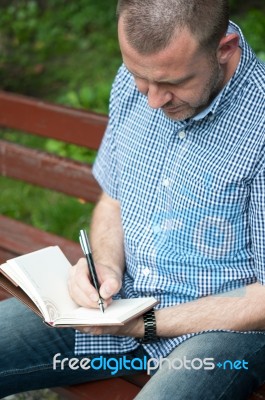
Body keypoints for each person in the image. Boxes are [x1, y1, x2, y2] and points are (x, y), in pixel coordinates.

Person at [0, 0, 265, 398]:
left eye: (173, 83)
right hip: (120, 305)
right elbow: (113, 199)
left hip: (221, 330)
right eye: (141, 78)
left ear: (223, 48)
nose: (154, 100)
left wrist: (150, 323)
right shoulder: (133, 82)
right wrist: (104, 264)